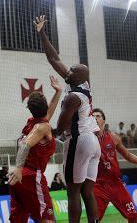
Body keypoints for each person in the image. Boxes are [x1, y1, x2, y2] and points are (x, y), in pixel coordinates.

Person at [35, 15, 101, 223]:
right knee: (87, 192)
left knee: (72, 192)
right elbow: (54, 59)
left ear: (78, 76)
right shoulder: (83, 85)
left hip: (79, 141)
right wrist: (42, 34)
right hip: (93, 142)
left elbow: (62, 125)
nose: (68, 71)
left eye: (72, 70)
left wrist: (48, 133)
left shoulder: (73, 97)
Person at [9, 75, 62, 223]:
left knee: (18, 219)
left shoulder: (33, 123)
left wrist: (58, 92)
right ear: (43, 105)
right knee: (48, 219)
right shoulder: (41, 127)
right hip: (32, 175)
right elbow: (26, 144)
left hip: (18, 178)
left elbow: (48, 113)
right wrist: (19, 168)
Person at [92, 109, 137, 223]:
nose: (95, 118)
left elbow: (127, 155)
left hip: (115, 182)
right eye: (93, 117)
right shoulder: (87, 139)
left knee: (133, 215)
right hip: (98, 183)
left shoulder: (113, 138)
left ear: (104, 120)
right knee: (94, 219)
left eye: (98, 116)